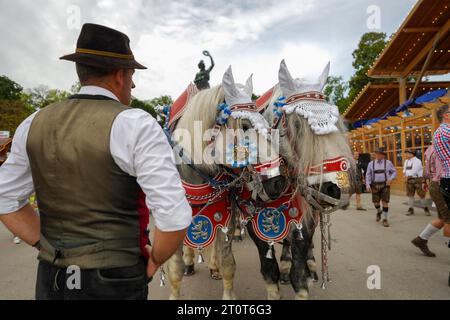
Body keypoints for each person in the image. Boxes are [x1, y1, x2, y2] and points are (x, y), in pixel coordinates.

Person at [0, 23, 192, 300]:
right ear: (119, 75)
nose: (134, 85)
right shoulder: (135, 123)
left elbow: (6, 199)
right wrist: (154, 261)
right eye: (132, 75)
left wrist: (49, 246)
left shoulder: (33, 122)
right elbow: (173, 217)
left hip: (52, 275)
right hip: (115, 275)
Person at [411, 143, 450, 257]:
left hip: (435, 183)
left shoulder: (431, 148)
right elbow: (442, 171)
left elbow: (427, 170)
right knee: (448, 219)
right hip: (442, 184)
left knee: (443, 218)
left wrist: (425, 181)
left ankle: (421, 239)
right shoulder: (443, 149)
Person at [365, 148, 397, 227]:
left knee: (385, 202)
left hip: (385, 185)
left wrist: (390, 179)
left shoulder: (388, 163)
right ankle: (379, 211)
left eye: (380, 154)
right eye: (376, 154)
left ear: (383, 155)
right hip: (374, 185)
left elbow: (394, 172)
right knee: (376, 202)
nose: (378, 155)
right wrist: (368, 185)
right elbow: (368, 175)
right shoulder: (371, 164)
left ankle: (385, 219)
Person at [433, 104, 450, 250]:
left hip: (445, 177)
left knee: (446, 218)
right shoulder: (447, 130)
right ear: (446, 115)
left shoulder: (438, 132)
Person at [403, 149, 430, 216]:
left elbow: (414, 171)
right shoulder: (406, 161)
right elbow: (404, 170)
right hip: (409, 180)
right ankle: (411, 209)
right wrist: (404, 175)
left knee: (421, 195)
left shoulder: (417, 161)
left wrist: (407, 177)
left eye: (407, 153)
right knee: (410, 195)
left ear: (411, 154)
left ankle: (425, 208)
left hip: (417, 180)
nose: (405, 155)